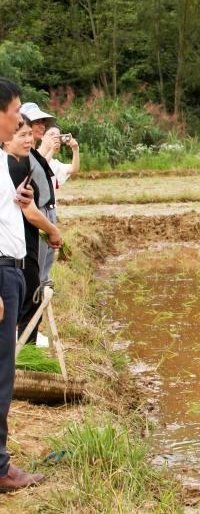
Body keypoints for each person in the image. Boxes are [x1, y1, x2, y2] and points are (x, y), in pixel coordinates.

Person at [0, 78, 45, 490]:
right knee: (1, 372)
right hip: (1, 273)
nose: (20, 122)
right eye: (15, 113)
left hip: (10, 269)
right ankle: (0, 469)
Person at [2, 116, 62, 346]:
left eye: (30, 134)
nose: (29, 140)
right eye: (22, 135)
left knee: (24, 303)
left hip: (22, 244)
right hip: (19, 248)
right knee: (29, 304)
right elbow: (30, 211)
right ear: (7, 139)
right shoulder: (13, 166)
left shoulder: (23, 162)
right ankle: (24, 359)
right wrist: (53, 231)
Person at [34, 125, 78, 283]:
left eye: (58, 136)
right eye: (51, 134)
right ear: (42, 137)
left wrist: (75, 150)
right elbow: (38, 169)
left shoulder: (55, 162)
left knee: (50, 250)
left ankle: (44, 280)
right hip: (38, 208)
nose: (55, 138)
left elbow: (73, 169)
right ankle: (37, 284)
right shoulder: (34, 156)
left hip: (51, 208)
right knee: (39, 249)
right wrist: (51, 151)